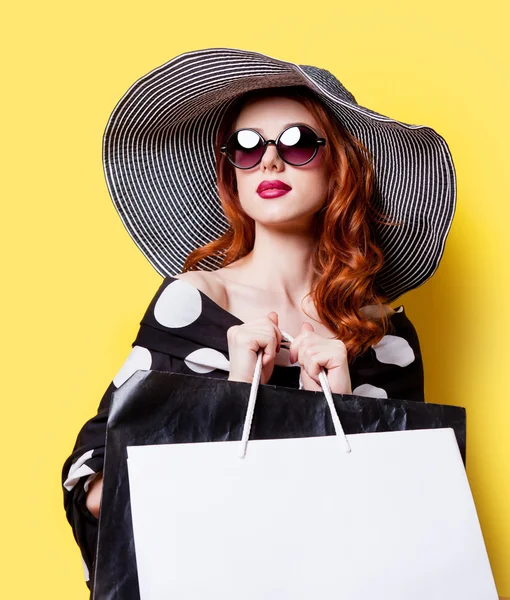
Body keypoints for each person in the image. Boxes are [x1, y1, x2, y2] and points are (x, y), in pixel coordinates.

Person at [61, 48, 455, 592]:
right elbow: (95, 486)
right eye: (246, 147)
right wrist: (231, 396)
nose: (269, 161)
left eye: (297, 143)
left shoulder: (384, 334)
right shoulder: (192, 303)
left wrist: (343, 406)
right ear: (233, 174)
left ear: (339, 165)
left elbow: (417, 512)